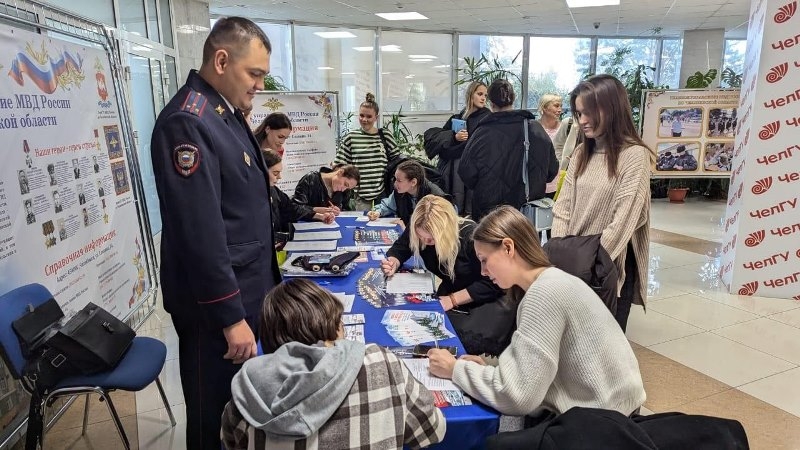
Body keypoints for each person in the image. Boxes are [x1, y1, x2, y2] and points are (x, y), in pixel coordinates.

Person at [149, 17, 280, 450]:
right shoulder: (188, 123)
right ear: (221, 60)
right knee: (215, 418)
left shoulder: (224, 113)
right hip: (217, 313)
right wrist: (230, 318)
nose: (260, 84)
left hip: (246, 295)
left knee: (240, 414)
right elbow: (199, 234)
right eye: (254, 74)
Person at [427, 206, 645, 420]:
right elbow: (536, 370)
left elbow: (517, 397)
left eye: (484, 260)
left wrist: (455, 369)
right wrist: (493, 371)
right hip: (611, 408)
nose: (483, 271)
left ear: (508, 248)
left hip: (603, 421)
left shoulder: (543, 294)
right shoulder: (551, 281)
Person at [220, 278, 446, 449]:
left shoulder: (246, 394)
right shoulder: (380, 362)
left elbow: (230, 442)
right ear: (334, 325)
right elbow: (433, 429)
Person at [552, 74, 654, 331]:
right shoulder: (580, 153)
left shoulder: (634, 156)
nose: (582, 121)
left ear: (611, 109)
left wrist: (587, 265)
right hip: (575, 263)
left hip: (606, 268)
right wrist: (561, 254)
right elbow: (563, 208)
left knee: (603, 349)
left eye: (589, 112)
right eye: (578, 113)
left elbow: (623, 221)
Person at [380, 196, 506, 355]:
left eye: (431, 239)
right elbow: (402, 247)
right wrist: (394, 261)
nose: (425, 241)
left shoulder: (470, 239)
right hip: (448, 294)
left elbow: (493, 283)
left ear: (444, 232)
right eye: (421, 237)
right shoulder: (420, 227)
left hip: (477, 304)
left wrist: (453, 299)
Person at [459, 79, 558, 222]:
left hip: (489, 215)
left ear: (491, 103)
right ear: (514, 99)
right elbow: (551, 171)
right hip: (524, 214)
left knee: (490, 244)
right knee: (522, 244)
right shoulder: (535, 128)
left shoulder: (481, 133)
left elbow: (466, 172)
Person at [432, 81, 491, 214]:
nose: (483, 98)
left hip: (475, 171)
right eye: (480, 94)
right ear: (471, 95)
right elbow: (442, 145)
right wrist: (455, 137)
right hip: (454, 171)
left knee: (470, 207)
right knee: (455, 204)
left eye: (485, 95)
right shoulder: (458, 117)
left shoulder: (487, 118)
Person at [335, 93, 401, 210]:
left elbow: (399, 162)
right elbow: (338, 165)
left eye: (369, 116)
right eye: (361, 115)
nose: (364, 120)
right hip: (360, 196)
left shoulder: (385, 135)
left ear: (376, 117)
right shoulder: (351, 137)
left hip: (383, 193)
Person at [262, 150, 334, 244]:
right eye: (275, 173)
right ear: (261, 170)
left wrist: (319, 216)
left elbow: (291, 208)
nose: (279, 177)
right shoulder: (251, 198)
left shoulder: (273, 190)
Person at [368, 159, 450, 229]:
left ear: (413, 182)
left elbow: (435, 229)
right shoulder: (400, 192)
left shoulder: (435, 197)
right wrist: (377, 212)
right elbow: (388, 205)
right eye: (395, 179)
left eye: (399, 180)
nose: (395, 184)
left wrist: (407, 230)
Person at [293, 163, 359, 213]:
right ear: (340, 172)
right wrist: (315, 210)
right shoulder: (311, 180)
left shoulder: (345, 192)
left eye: (347, 188)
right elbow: (295, 208)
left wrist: (339, 210)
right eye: (345, 184)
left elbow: (346, 211)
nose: (343, 189)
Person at [537, 94, 565, 198]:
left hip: (559, 182)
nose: (560, 110)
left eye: (561, 106)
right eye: (556, 106)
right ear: (544, 107)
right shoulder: (533, 128)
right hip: (537, 182)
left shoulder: (564, 128)